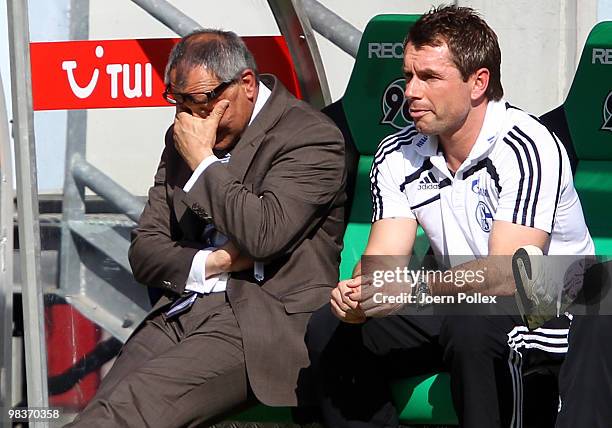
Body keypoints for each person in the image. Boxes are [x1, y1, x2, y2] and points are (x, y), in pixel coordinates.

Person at [313, 5, 594, 428]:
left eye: (429, 77)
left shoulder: (527, 145)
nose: (410, 91)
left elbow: (509, 274)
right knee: (329, 329)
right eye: (408, 75)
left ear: (478, 83)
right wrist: (362, 295)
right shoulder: (396, 152)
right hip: (455, 295)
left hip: (555, 298)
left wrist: (413, 289)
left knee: (474, 324)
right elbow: (384, 258)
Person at [67, 29, 346, 427]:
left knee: (133, 409)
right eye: (179, 102)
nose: (193, 119)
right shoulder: (185, 133)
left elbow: (264, 236)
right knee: (101, 412)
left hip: (261, 319)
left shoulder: (309, 137)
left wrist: (202, 161)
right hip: (184, 305)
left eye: (202, 102)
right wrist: (213, 261)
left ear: (246, 84)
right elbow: (145, 250)